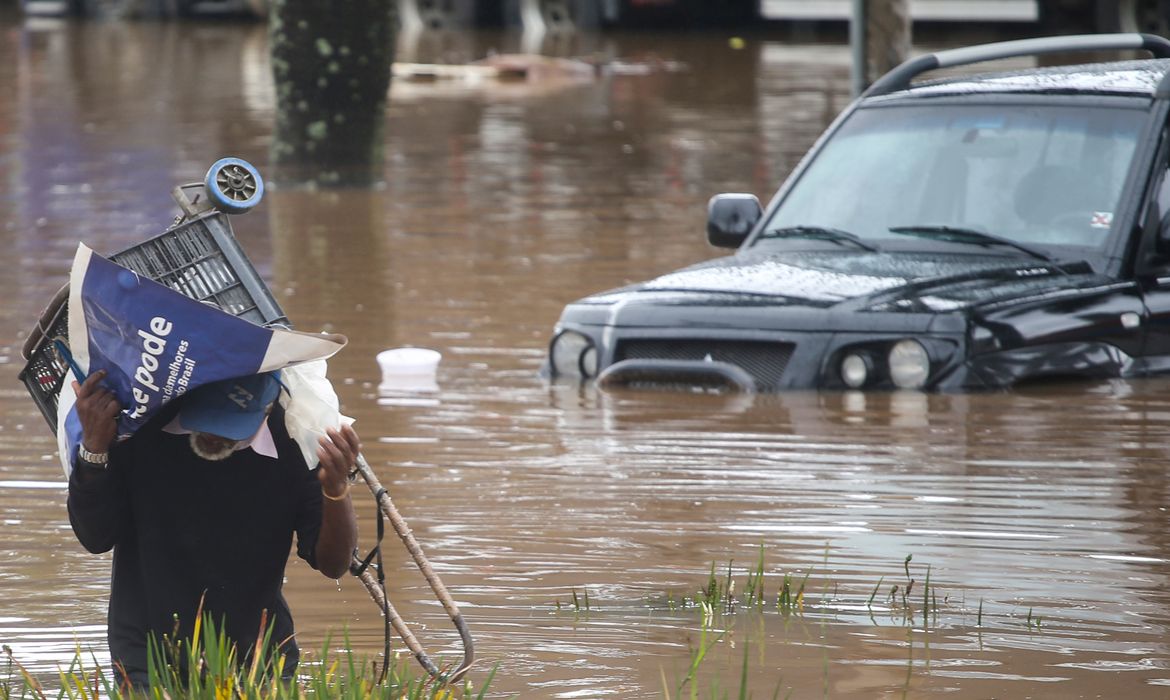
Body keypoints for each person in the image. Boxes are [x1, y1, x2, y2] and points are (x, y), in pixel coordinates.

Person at [66, 368, 360, 686]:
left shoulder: (295, 439)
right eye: (207, 420)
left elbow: (333, 564)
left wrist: (336, 489)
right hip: (148, 657)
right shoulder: (139, 427)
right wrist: (94, 449)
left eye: (232, 425)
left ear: (267, 409)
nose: (215, 435)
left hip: (259, 657)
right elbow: (95, 537)